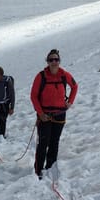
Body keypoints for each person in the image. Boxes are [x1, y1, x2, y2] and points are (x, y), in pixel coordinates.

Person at [30, 49, 78, 180]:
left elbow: (74, 86)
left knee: (54, 142)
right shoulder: (41, 76)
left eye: (56, 59)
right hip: (44, 115)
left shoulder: (64, 75)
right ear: (47, 61)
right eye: (51, 60)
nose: (54, 62)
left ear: (59, 61)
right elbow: (34, 96)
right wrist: (40, 113)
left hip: (60, 114)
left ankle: (50, 167)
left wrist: (70, 102)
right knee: (43, 143)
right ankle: (38, 170)